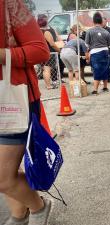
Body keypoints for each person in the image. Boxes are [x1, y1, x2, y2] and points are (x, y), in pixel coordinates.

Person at [0, 1, 53, 224]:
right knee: (8, 172)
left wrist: (2, 54)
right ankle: (19, 216)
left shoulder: (9, 5)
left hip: (12, 101)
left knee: (2, 177)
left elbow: (41, 50)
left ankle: (39, 208)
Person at [85, 12, 110, 95]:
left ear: (93, 21)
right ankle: (105, 87)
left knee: (96, 70)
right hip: (105, 52)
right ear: (101, 21)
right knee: (105, 69)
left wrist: (87, 57)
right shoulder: (106, 32)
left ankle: (95, 90)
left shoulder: (89, 31)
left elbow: (86, 45)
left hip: (95, 53)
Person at [37, 14, 62, 89]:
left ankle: (48, 84)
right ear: (45, 21)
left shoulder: (38, 30)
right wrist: (59, 50)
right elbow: (52, 44)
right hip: (49, 52)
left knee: (45, 69)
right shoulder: (46, 32)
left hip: (43, 52)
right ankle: (48, 85)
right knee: (47, 69)